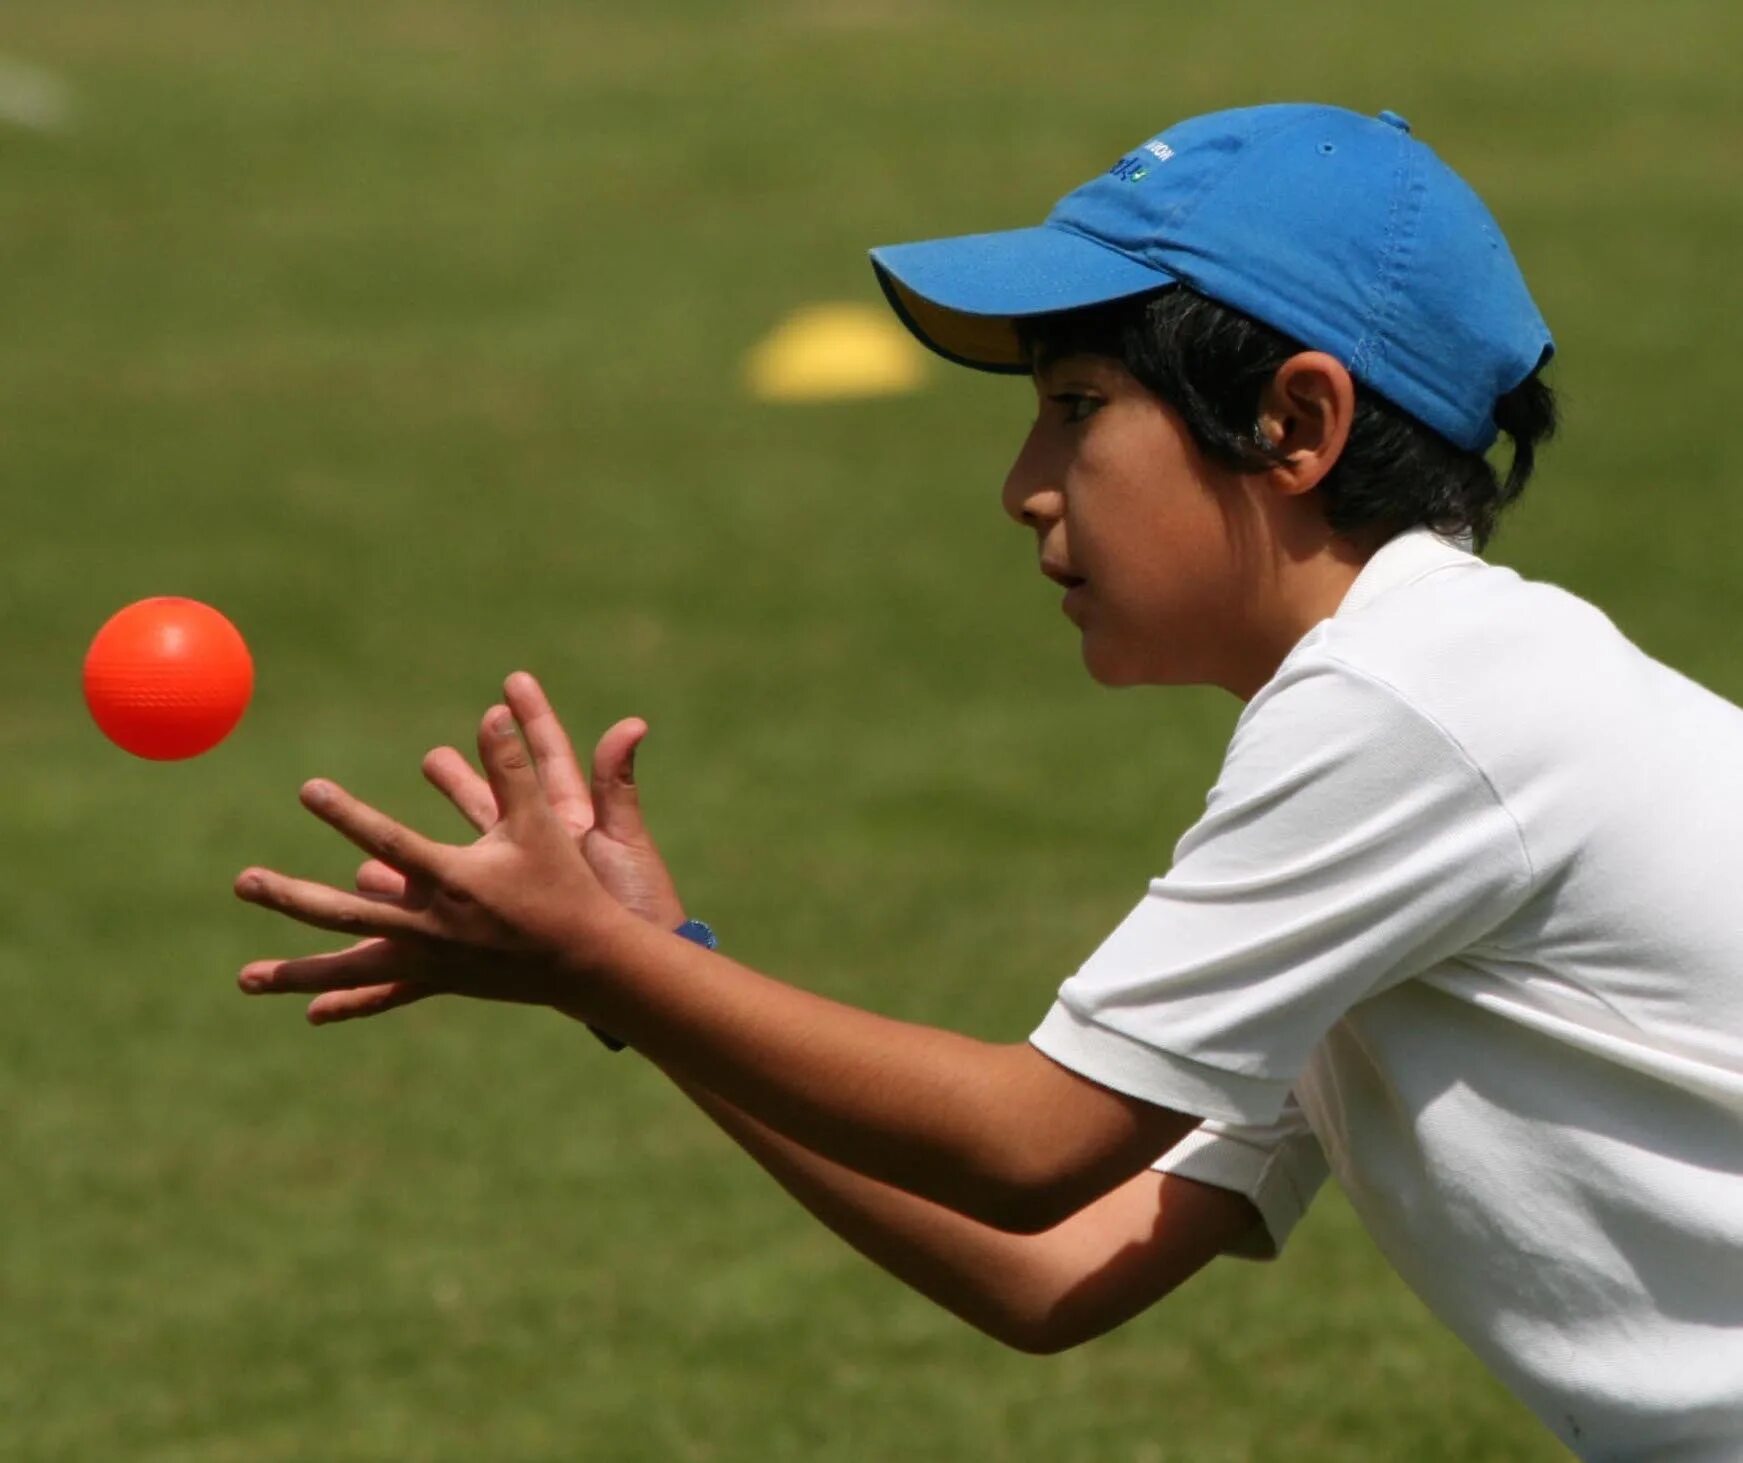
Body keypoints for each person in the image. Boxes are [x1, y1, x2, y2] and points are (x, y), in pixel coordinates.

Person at [233, 104, 1743, 1459]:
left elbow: (1027, 1152)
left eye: (1078, 406)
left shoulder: (1413, 710)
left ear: (1294, 425)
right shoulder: (1433, 708)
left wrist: (612, 965)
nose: (1022, 483)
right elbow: (1055, 1266)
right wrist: (647, 973)